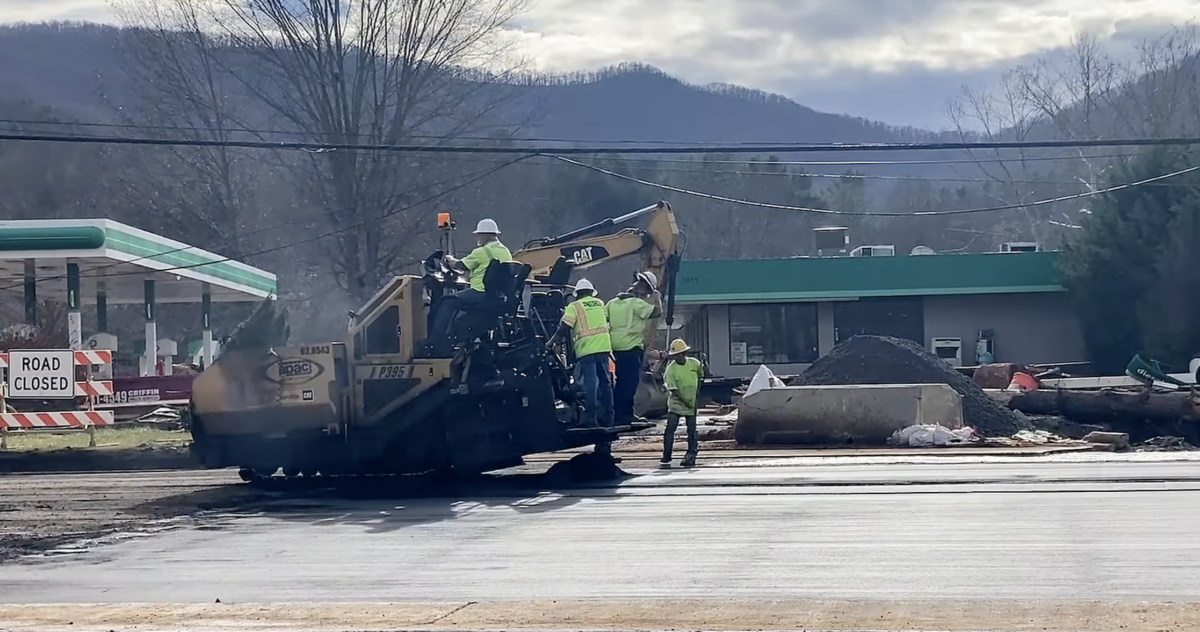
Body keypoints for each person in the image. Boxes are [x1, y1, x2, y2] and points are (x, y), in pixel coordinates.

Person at [427, 218, 512, 342]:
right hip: (497, 296)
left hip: (480, 293)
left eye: (479, 235)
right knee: (459, 306)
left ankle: (435, 341)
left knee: (447, 301)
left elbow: (461, 265)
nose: (478, 237)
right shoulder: (506, 252)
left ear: (485, 235)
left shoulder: (482, 251)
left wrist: (450, 260)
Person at [549, 278, 614, 429]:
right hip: (604, 347)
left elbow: (564, 327)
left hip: (587, 350)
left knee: (591, 383)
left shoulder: (574, 306)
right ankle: (609, 416)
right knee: (605, 383)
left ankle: (591, 417)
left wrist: (551, 343)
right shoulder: (600, 303)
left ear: (577, 294)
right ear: (592, 292)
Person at [605, 271, 662, 425]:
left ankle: (619, 413)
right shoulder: (637, 304)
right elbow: (657, 312)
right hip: (631, 347)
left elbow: (604, 320)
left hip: (616, 347)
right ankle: (624, 415)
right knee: (629, 383)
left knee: (622, 382)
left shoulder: (612, 303)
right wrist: (656, 297)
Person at [661, 338, 703, 468]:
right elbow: (674, 390)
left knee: (692, 430)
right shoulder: (671, 370)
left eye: (679, 354)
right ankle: (667, 455)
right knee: (670, 429)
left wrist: (695, 397)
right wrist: (686, 402)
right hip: (676, 404)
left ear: (684, 354)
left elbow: (700, 376)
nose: (676, 357)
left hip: (691, 403)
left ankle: (691, 452)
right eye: (674, 355)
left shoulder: (694, 364)